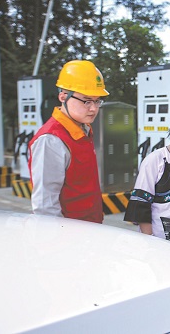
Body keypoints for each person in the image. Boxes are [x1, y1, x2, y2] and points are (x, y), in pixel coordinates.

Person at [28, 60, 109, 223]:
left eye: (97, 101)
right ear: (63, 97)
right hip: (69, 236)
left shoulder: (82, 130)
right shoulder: (51, 140)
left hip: (90, 230)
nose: (93, 108)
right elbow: (45, 206)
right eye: (86, 101)